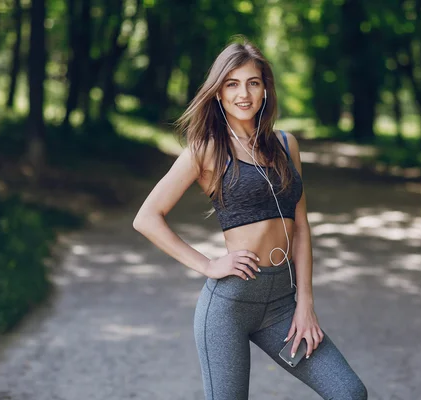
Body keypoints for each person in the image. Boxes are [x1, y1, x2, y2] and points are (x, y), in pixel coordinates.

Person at [132, 37, 367, 400]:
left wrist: (305, 304)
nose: (244, 93)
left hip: (283, 305)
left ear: (265, 91)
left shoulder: (286, 144)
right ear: (218, 93)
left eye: (253, 83)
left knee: (349, 392)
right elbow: (147, 217)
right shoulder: (207, 148)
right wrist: (209, 264)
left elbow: (301, 227)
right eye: (232, 83)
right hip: (230, 306)